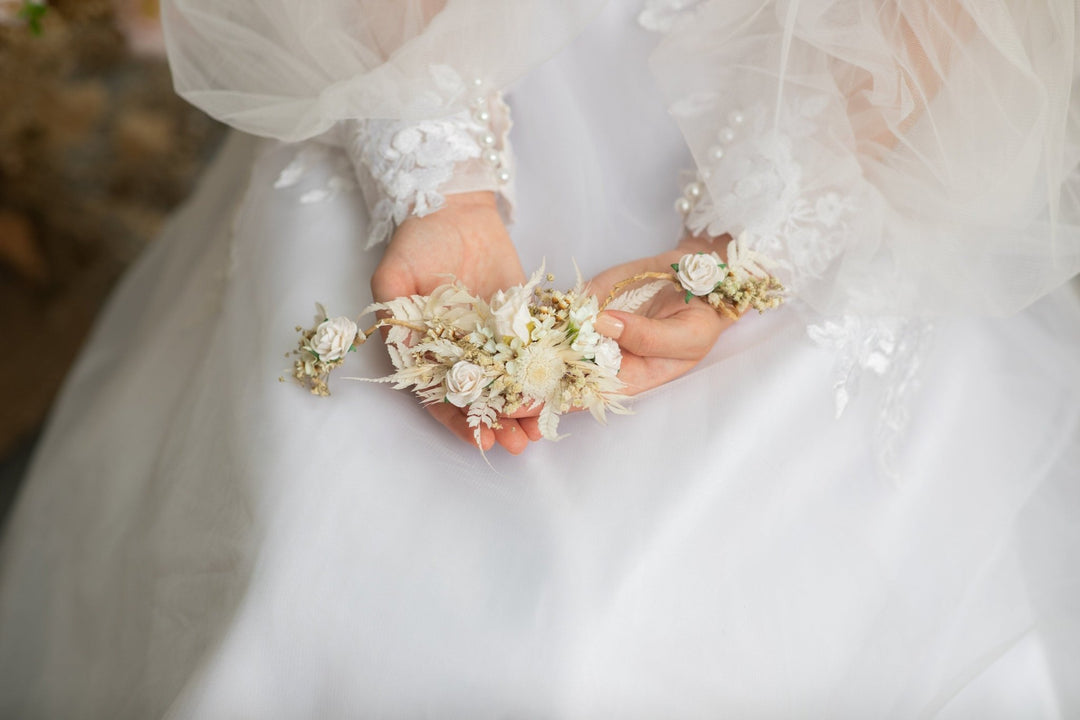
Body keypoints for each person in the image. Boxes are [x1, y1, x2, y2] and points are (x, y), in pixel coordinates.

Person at [2, 1, 1079, 716]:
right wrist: (435, 174)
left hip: (820, 114)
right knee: (350, 556)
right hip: (414, 52)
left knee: (641, 635)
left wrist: (760, 243)